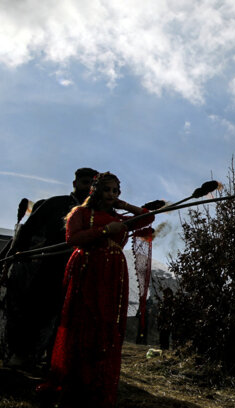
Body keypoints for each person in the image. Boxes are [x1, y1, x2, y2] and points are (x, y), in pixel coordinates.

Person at [37, 172, 154, 407]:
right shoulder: (80, 213)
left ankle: (98, 379)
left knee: (105, 323)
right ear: (96, 191)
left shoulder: (121, 217)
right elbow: (73, 239)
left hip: (113, 274)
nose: (112, 194)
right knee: (84, 318)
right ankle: (74, 379)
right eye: (108, 190)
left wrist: (124, 206)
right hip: (88, 268)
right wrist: (104, 231)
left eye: (116, 191)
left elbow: (147, 219)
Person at [3, 167, 97, 369]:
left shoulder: (97, 213)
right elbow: (27, 231)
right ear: (75, 183)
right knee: (38, 310)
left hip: (83, 269)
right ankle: (22, 354)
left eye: (92, 184)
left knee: (71, 316)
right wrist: (12, 256)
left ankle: (56, 360)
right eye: (84, 182)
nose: (88, 187)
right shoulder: (56, 204)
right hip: (51, 266)